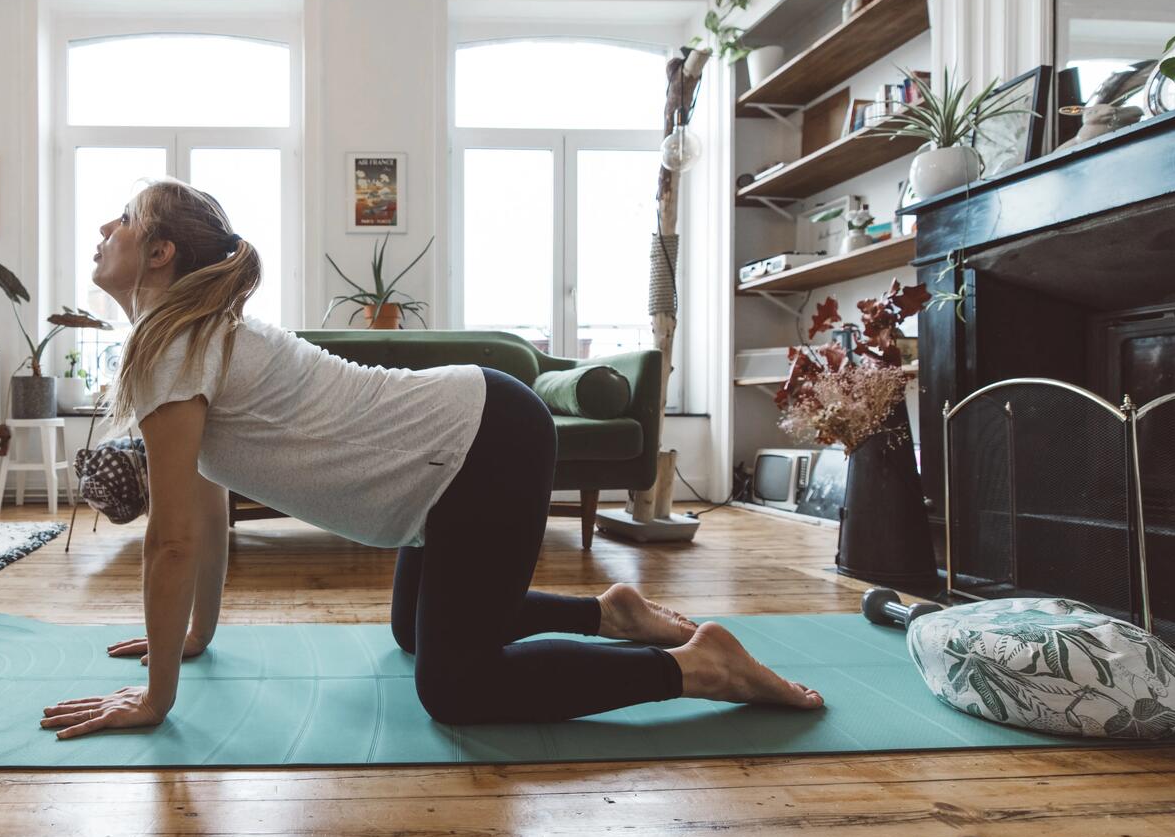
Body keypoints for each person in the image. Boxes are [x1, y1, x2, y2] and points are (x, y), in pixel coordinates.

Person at [40, 177, 823, 740]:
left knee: (456, 684)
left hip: (483, 442)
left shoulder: (176, 342)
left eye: (120, 222)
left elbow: (170, 538)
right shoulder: (182, 343)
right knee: (418, 631)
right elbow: (204, 507)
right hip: (463, 448)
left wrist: (154, 700)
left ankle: (700, 666)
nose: (101, 231)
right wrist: (195, 637)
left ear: (160, 254)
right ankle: (608, 614)